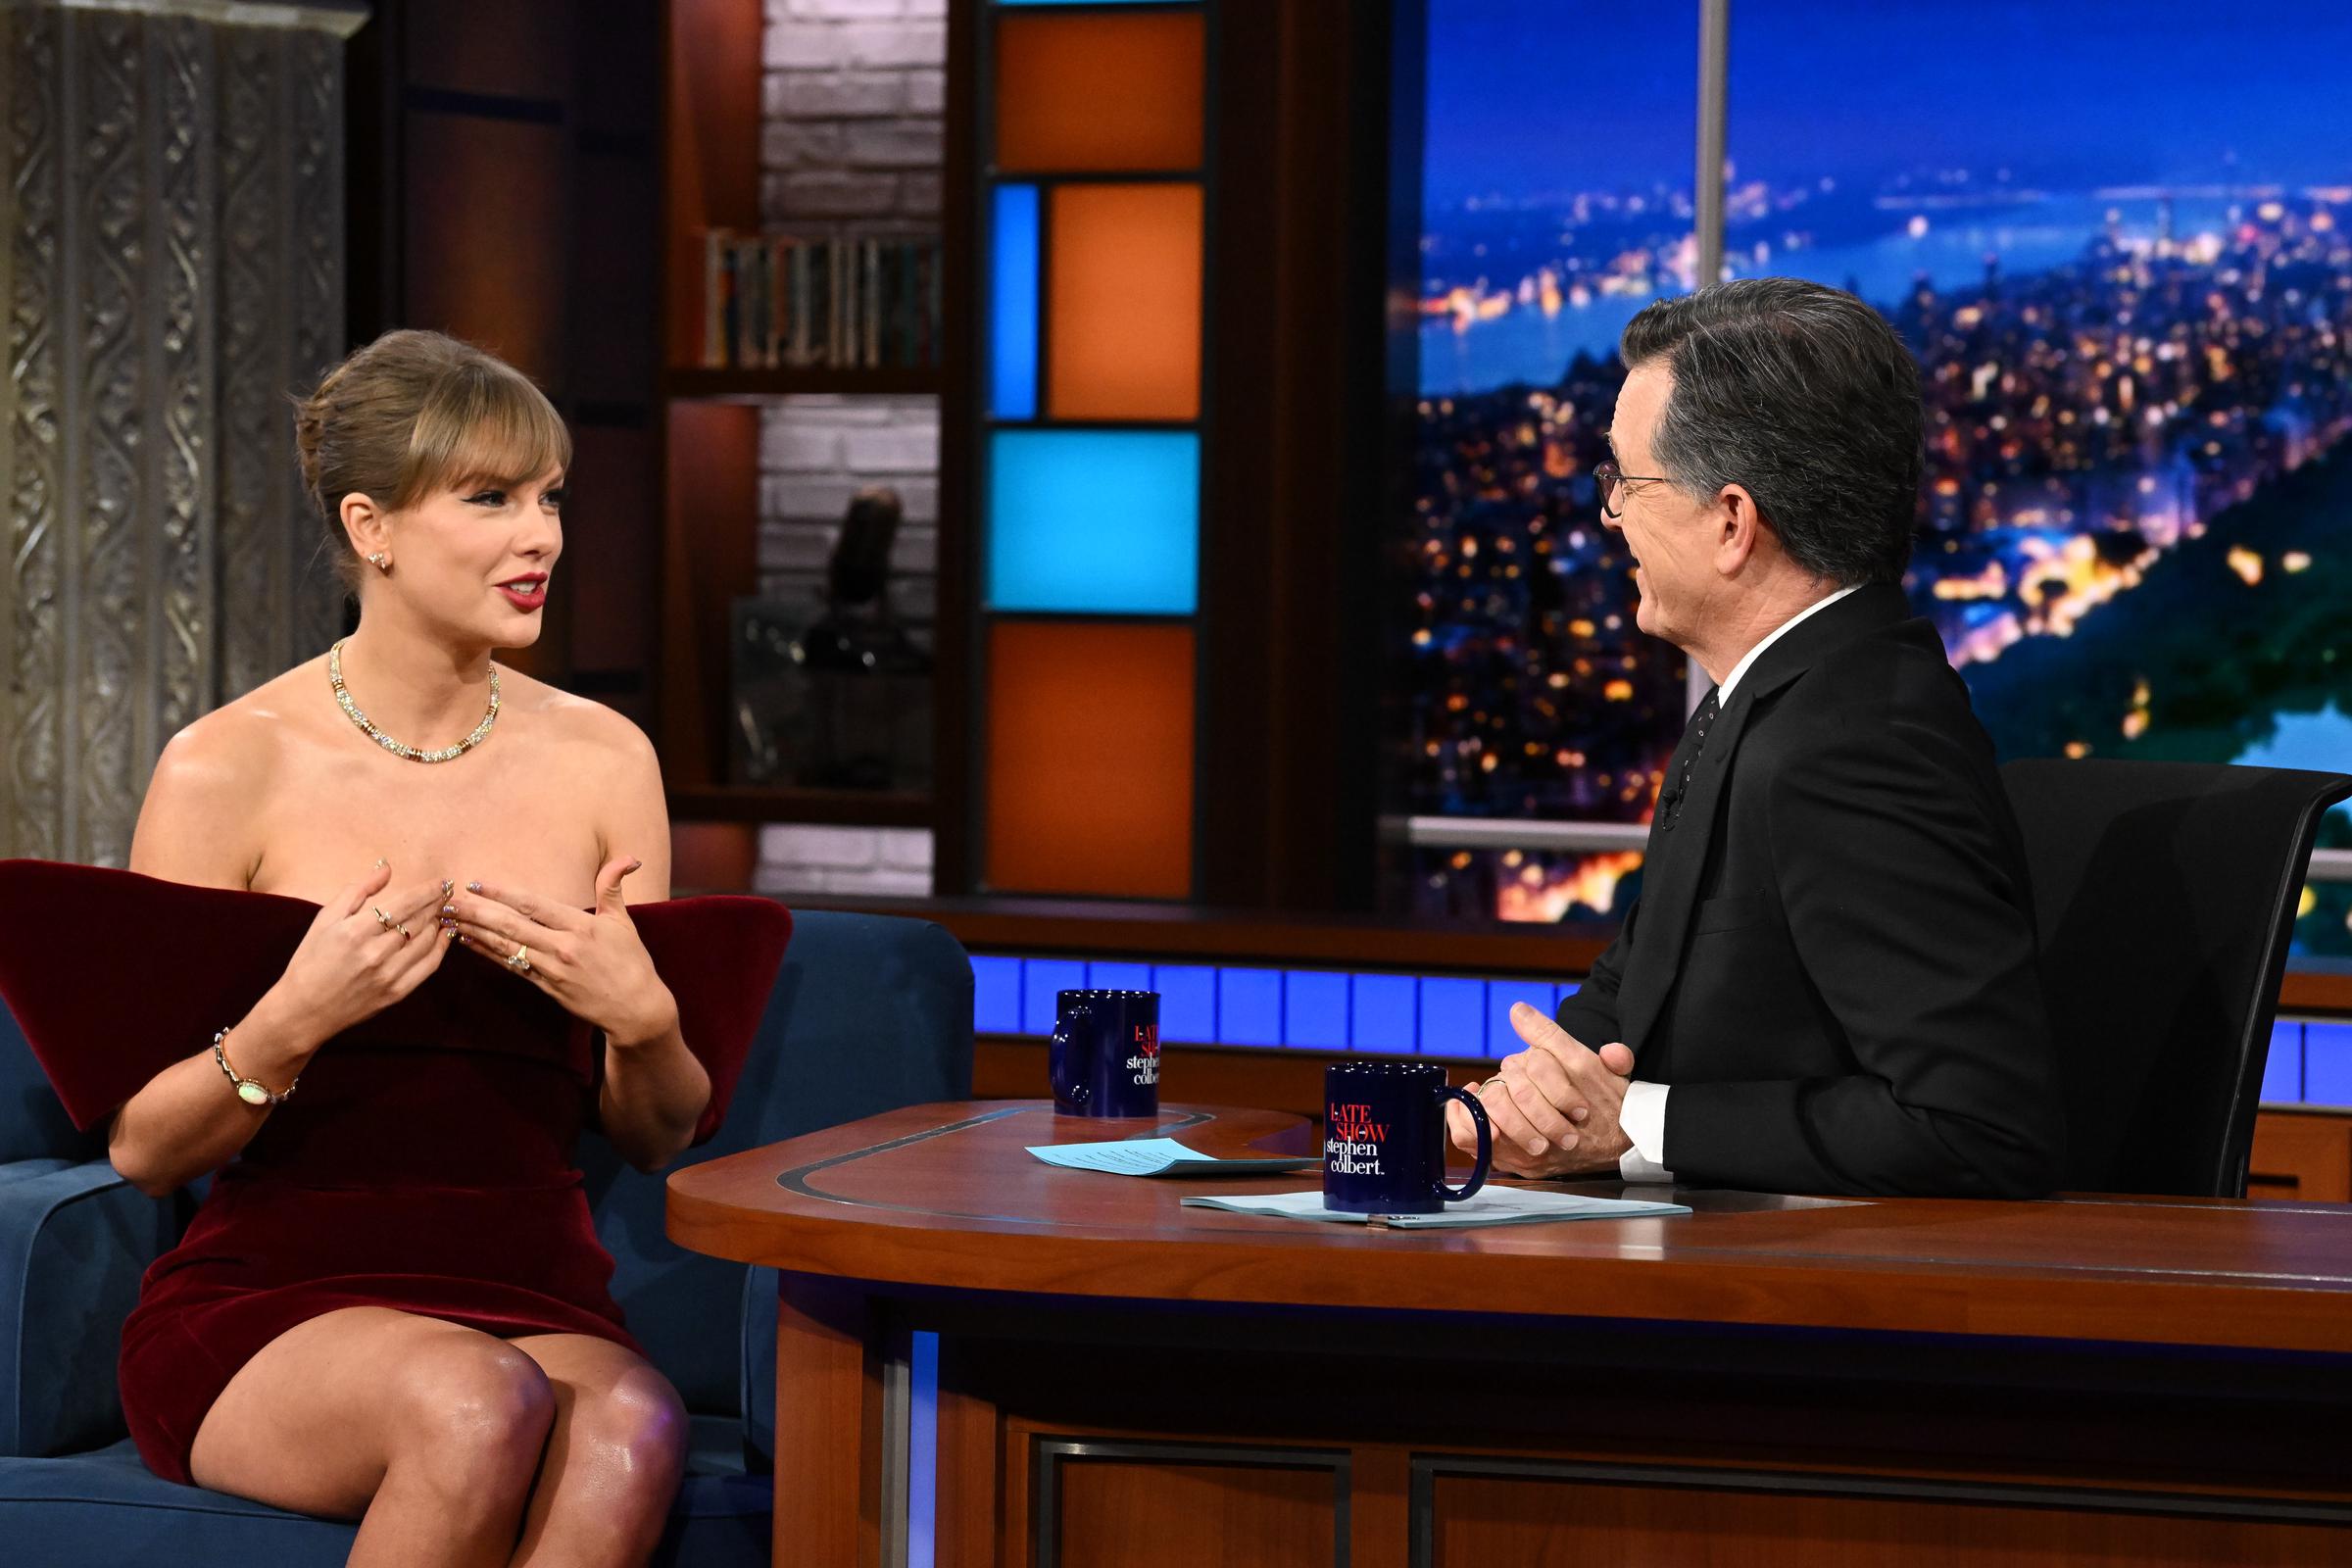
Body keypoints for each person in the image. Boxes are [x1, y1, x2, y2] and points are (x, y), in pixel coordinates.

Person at [0, 328, 787, 1566]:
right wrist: (293, 1017)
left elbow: (651, 1132)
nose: (543, 537)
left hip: (536, 1291)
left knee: (635, 1427)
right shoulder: (228, 765)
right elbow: (146, 1146)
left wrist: (643, 1018)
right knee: (473, 1403)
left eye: (549, 498)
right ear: (371, 525)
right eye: (492, 499)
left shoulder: (605, 759)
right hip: (272, 1301)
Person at [1449, 278, 2063, 1198]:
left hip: (1816, 1308)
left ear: (1734, 523)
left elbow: (1978, 1124)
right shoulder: (1769, 697)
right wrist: (1512, 1107)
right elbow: (1634, 992)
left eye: (1626, 481)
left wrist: (1634, 1127)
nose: (1609, 514)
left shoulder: (1854, 743)